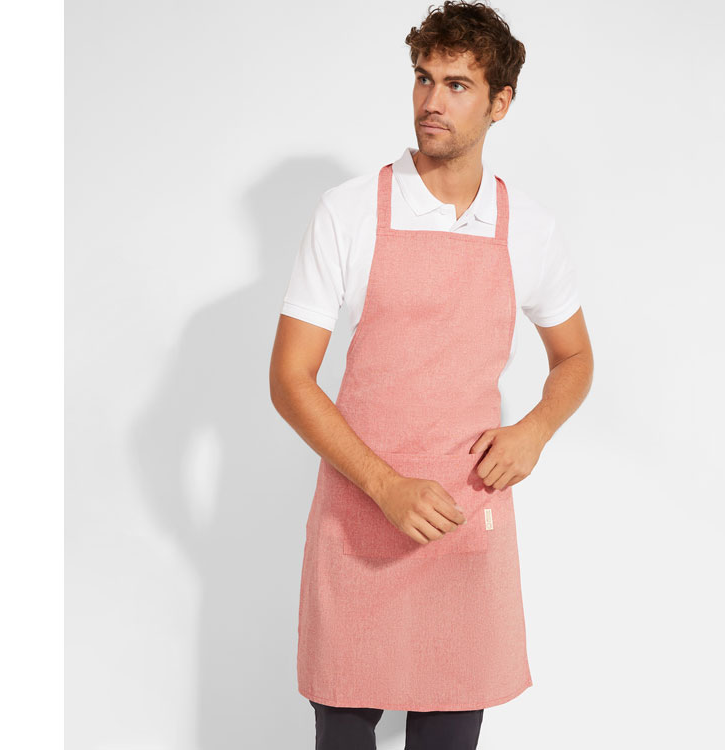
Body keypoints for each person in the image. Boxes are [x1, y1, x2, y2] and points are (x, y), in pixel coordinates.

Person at [269, 2, 593, 747]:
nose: (431, 101)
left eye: (456, 85)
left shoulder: (529, 229)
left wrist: (535, 430)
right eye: (423, 79)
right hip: (358, 520)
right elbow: (290, 378)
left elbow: (575, 357)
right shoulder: (349, 212)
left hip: (464, 523)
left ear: (500, 103)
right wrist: (385, 486)